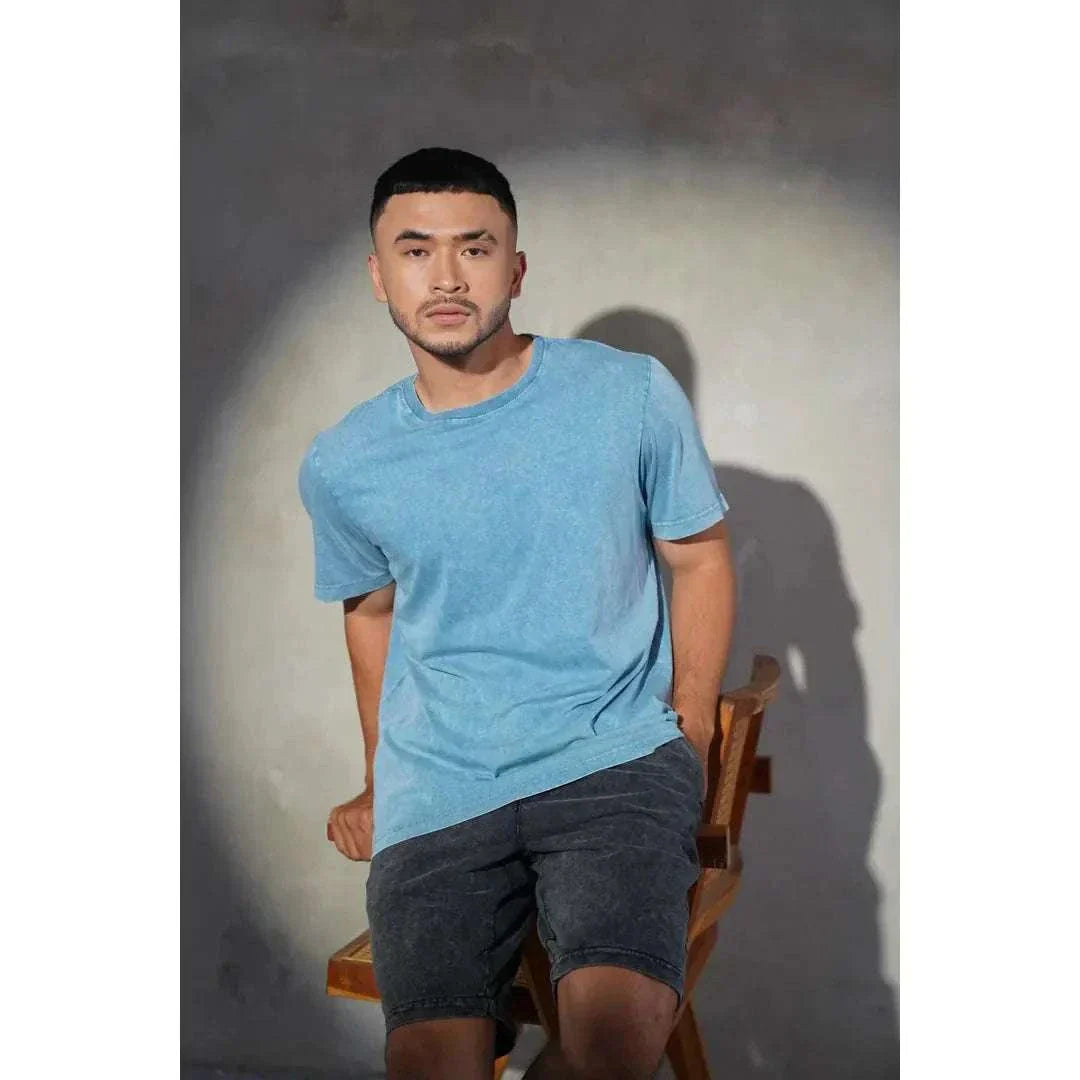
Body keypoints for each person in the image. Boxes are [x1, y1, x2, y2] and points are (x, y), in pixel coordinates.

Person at [298, 147, 736, 1080]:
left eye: (475, 247)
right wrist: (379, 778)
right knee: (430, 1062)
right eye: (416, 251)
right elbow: (370, 614)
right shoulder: (345, 462)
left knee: (613, 1044)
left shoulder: (628, 393)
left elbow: (698, 557)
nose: (447, 277)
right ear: (378, 275)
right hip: (440, 788)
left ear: (517, 267)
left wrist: (692, 727)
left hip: (611, 761)